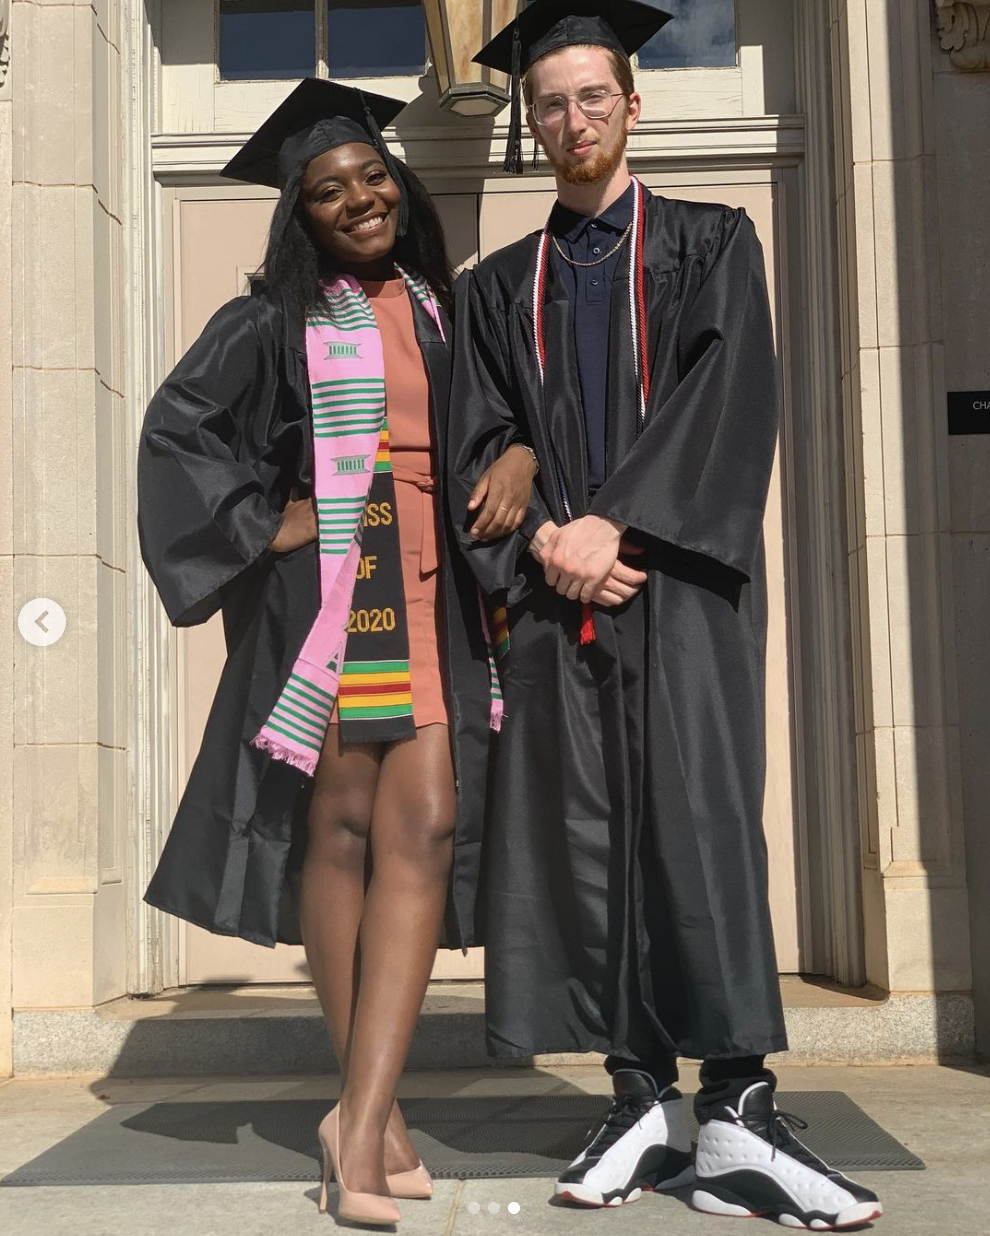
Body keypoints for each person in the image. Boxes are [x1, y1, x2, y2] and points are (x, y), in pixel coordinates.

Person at [448, 1, 883, 1229]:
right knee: (580, 844)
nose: (572, 118)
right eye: (549, 102)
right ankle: (635, 1100)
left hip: (676, 593)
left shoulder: (711, 240)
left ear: (632, 106)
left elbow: (728, 399)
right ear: (529, 124)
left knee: (697, 826)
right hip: (555, 605)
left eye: (593, 96)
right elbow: (478, 435)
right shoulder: (495, 289)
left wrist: (614, 529)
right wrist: (544, 537)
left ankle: (739, 1108)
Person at [137, 78, 536, 1227]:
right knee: (348, 829)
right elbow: (179, 430)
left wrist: (513, 461)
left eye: (369, 177)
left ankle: (360, 1118)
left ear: (400, 189)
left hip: (437, 585)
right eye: (327, 190)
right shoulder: (273, 320)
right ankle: (366, 1124)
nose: (356, 197)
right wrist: (269, 521)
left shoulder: (451, 309)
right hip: (336, 594)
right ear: (301, 216)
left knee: (427, 826)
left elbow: (510, 421)